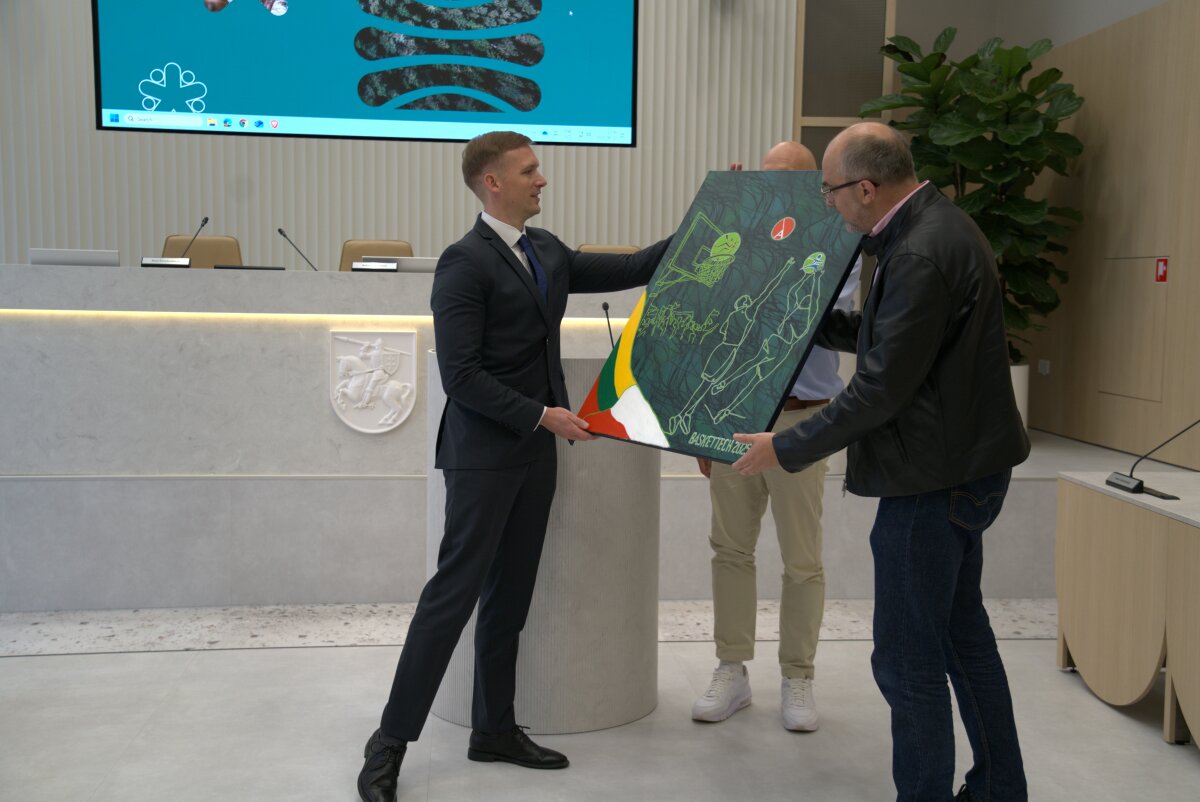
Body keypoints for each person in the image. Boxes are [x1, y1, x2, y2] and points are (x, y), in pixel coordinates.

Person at [356, 131, 671, 802]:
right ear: (492, 182)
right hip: (482, 457)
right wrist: (542, 415)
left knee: (510, 599)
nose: (542, 179)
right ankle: (387, 745)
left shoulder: (547, 250)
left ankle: (494, 729)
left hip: (533, 454)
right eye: (529, 171)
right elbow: (462, 376)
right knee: (451, 600)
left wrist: (717, 217)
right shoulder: (462, 263)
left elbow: (639, 264)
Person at [731, 122, 1029, 802]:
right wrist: (807, 317)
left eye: (830, 191)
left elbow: (881, 388)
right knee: (962, 639)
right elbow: (888, 337)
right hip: (961, 468)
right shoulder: (934, 226)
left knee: (906, 661)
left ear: (865, 189)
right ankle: (999, 788)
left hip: (932, 481)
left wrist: (785, 446)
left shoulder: (918, 251)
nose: (828, 205)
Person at [690, 141, 861, 733]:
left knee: (801, 556)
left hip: (801, 420)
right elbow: (705, 311)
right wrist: (734, 222)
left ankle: (798, 675)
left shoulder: (841, 241)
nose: (780, 191)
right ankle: (731, 668)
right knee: (730, 548)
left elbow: (806, 308)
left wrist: (760, 240)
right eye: (770, 181)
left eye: (793, 181)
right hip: (734, 412)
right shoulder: (736, 237)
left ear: (818, 188)